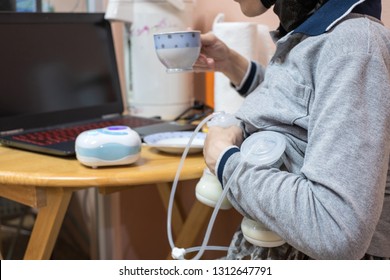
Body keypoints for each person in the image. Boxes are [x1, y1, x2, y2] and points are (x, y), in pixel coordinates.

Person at [194, 0, 390, 259]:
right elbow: (302, 113)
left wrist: (224, 160)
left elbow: (335, 230)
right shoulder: (319, 32)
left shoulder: (354, 45)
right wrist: (232, 64)